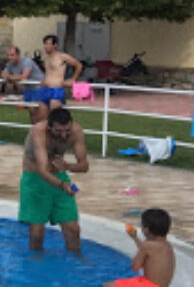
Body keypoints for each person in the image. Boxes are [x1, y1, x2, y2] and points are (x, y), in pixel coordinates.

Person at [21, 107, 89, 252]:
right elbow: (42, 170)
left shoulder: (76, 131)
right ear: (49, 126)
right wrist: (63, 185)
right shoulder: (38, 132)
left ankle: (75, 263)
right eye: (58, 131)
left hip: (59, 178)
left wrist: (68, 166)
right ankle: (35, 263)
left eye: (67, 131)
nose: (64, 135)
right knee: (37, 232)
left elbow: (84, 166)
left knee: (73, 229)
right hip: (34, 179)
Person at [105, 209, 175, 287]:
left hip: (148, 285)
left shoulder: (147, 245)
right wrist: (135, 238)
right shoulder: (167, 245)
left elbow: (135, 267)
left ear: (147, 230)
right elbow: (147, 251)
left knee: (108, 285)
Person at [27, 35, 83, 123]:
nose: (46, 46)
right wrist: (44, 80)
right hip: (45, 89)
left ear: (55, 45)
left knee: (54, 118)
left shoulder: (62, 56)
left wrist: (73, 79)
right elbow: (49, 72)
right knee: (41, 116)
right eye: (45, 44)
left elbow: (78, 65)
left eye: (48, 44)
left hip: (56, 90)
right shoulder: (46, 58)